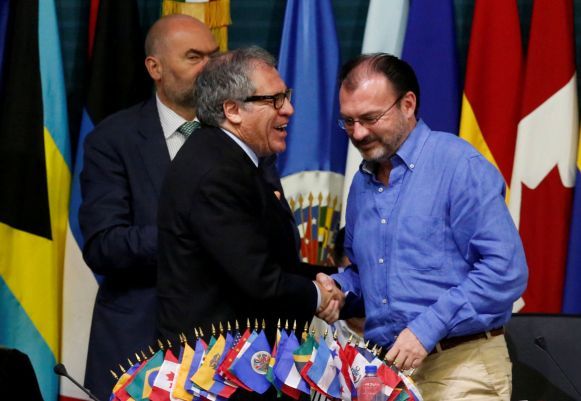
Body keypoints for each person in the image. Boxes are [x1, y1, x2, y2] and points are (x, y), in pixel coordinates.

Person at [316, 53, 528, 401]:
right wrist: (339, 289)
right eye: (348, 121)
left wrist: (426, 328)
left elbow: (505, 270)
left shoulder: (458, 165)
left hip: (462, 365)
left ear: (408, 104)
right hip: (387, 373)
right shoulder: (361, 184)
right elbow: (369, 275)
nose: (359, 133)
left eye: (370, 118)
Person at [156, 46, 342, 350]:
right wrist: (320, 295)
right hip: (215, 365)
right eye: (274, 100)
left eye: (286, 96)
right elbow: (259, 279)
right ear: (232, 110)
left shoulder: (232, 158)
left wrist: (337, 283)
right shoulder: (217, 172)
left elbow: (271, 259)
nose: (288, 109)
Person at [78, 14, 218, 400]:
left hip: (225, 351)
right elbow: (104, 245)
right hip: (141, 347)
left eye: (214, 55)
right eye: (194, 57)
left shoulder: (238, 131)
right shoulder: (112, 140)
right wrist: (193, 237)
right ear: (155, 68)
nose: (210, 67)